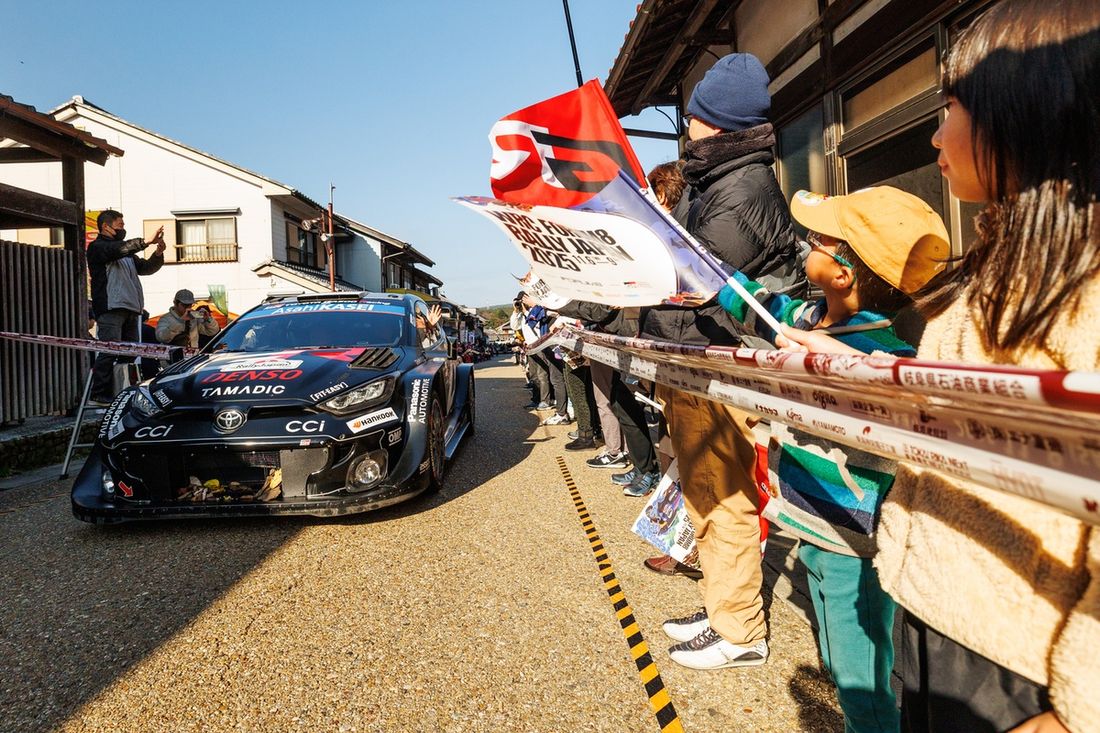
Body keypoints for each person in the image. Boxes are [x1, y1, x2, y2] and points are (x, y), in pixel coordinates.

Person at [784, 3, 1099, 730]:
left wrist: (1079, 708)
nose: (933, 135)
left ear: (1027, 110)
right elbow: (951, 418)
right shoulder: (1000, 266)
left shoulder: (1084, 298)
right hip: (930, 604)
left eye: (949, 106)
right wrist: (841, 370)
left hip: (1017, 656)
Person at [720, 186, 949, 732]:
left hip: (852, 538)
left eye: (821, 239)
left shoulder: (885, 353)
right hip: (808, 520)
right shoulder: (811, 315)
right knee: (832, 642)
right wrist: (708, 275)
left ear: (843, 273)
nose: (806, 243)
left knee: (861, 680)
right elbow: (762, 308)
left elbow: (900, 413)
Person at [648, 52, 806, 671]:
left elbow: (694, 280)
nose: (688, 127)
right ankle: (722, 609)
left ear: (718, 124)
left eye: (696, 117)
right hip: (700, 361)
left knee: (724, 495)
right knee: (707, 495)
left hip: (716, 364)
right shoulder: (720, 181)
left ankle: (739, 630)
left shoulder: (738, 190)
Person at [87, 210, 165, 405]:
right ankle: (99, 393)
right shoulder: (98, 247)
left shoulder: (125, 253)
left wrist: (158, 254)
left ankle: (123, 390)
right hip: (111, 306)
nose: (123, 228)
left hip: (131, 306)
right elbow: (119, 249)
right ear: (106, 226)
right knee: (110, 349)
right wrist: (145, 241)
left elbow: (145, 268)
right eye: (120, 225)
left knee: (131, 352)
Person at [155, 289, 219, 349]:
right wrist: (180, 322)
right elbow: (161, 338)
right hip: (174, 358)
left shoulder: (194, 317)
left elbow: (212, 332)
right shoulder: (166, 319)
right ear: (175, 303)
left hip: (192, 356)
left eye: (190, 305)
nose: (188, 308)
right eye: (185, 305)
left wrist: (207, 319)